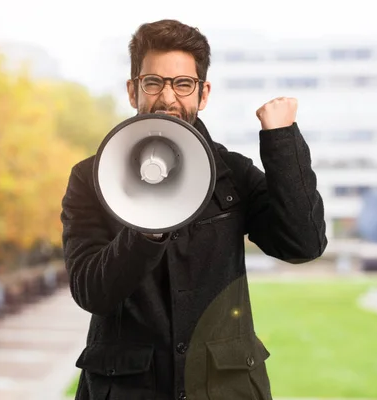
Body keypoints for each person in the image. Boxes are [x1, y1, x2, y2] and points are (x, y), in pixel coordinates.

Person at [60, 19, 328, 400]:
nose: (168, 98)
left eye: (183, 84)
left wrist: (281, 140)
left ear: (203, 94)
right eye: (153, 82)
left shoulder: (232, 173)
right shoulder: (91, 178)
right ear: (133, 90)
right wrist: (148, 228)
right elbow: (91, 292)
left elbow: (304, 244)